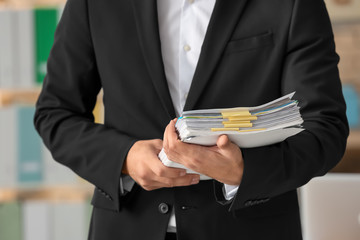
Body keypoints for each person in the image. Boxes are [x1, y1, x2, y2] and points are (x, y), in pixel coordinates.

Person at [34, 0, 349, 239]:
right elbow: (56, 113)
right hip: (126, 228)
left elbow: (325, 127)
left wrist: (245, 170)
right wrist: (125, 158)